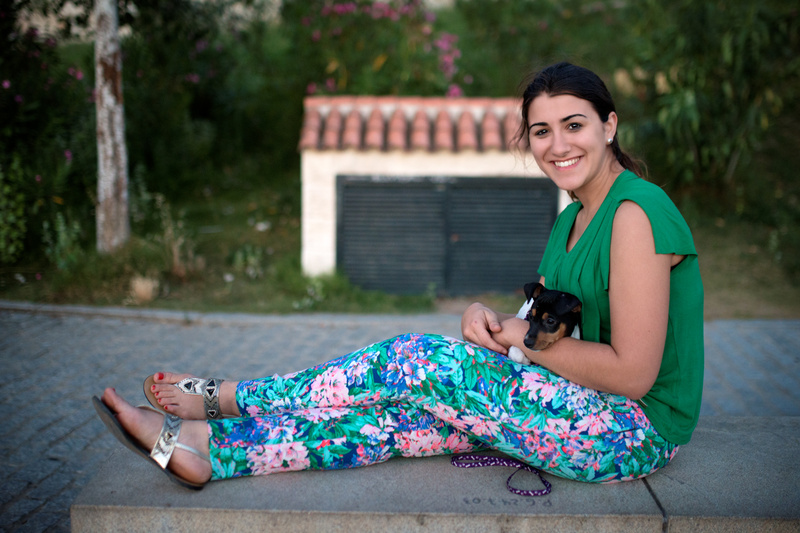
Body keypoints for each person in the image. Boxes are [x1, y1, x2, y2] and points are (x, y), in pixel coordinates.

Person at [95, 62, 704, 490]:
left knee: (410, 361)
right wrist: (495, 323)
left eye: (574, 124)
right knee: (396, 421)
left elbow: (633, 373)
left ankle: (227, 400)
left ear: (609, 125)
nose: (557, 145)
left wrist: (519, 341)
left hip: (630, 431)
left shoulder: (635, 213)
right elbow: (545, 325)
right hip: (573, 404)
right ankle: (212, 455)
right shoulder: (572, 218)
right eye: (542, 131)